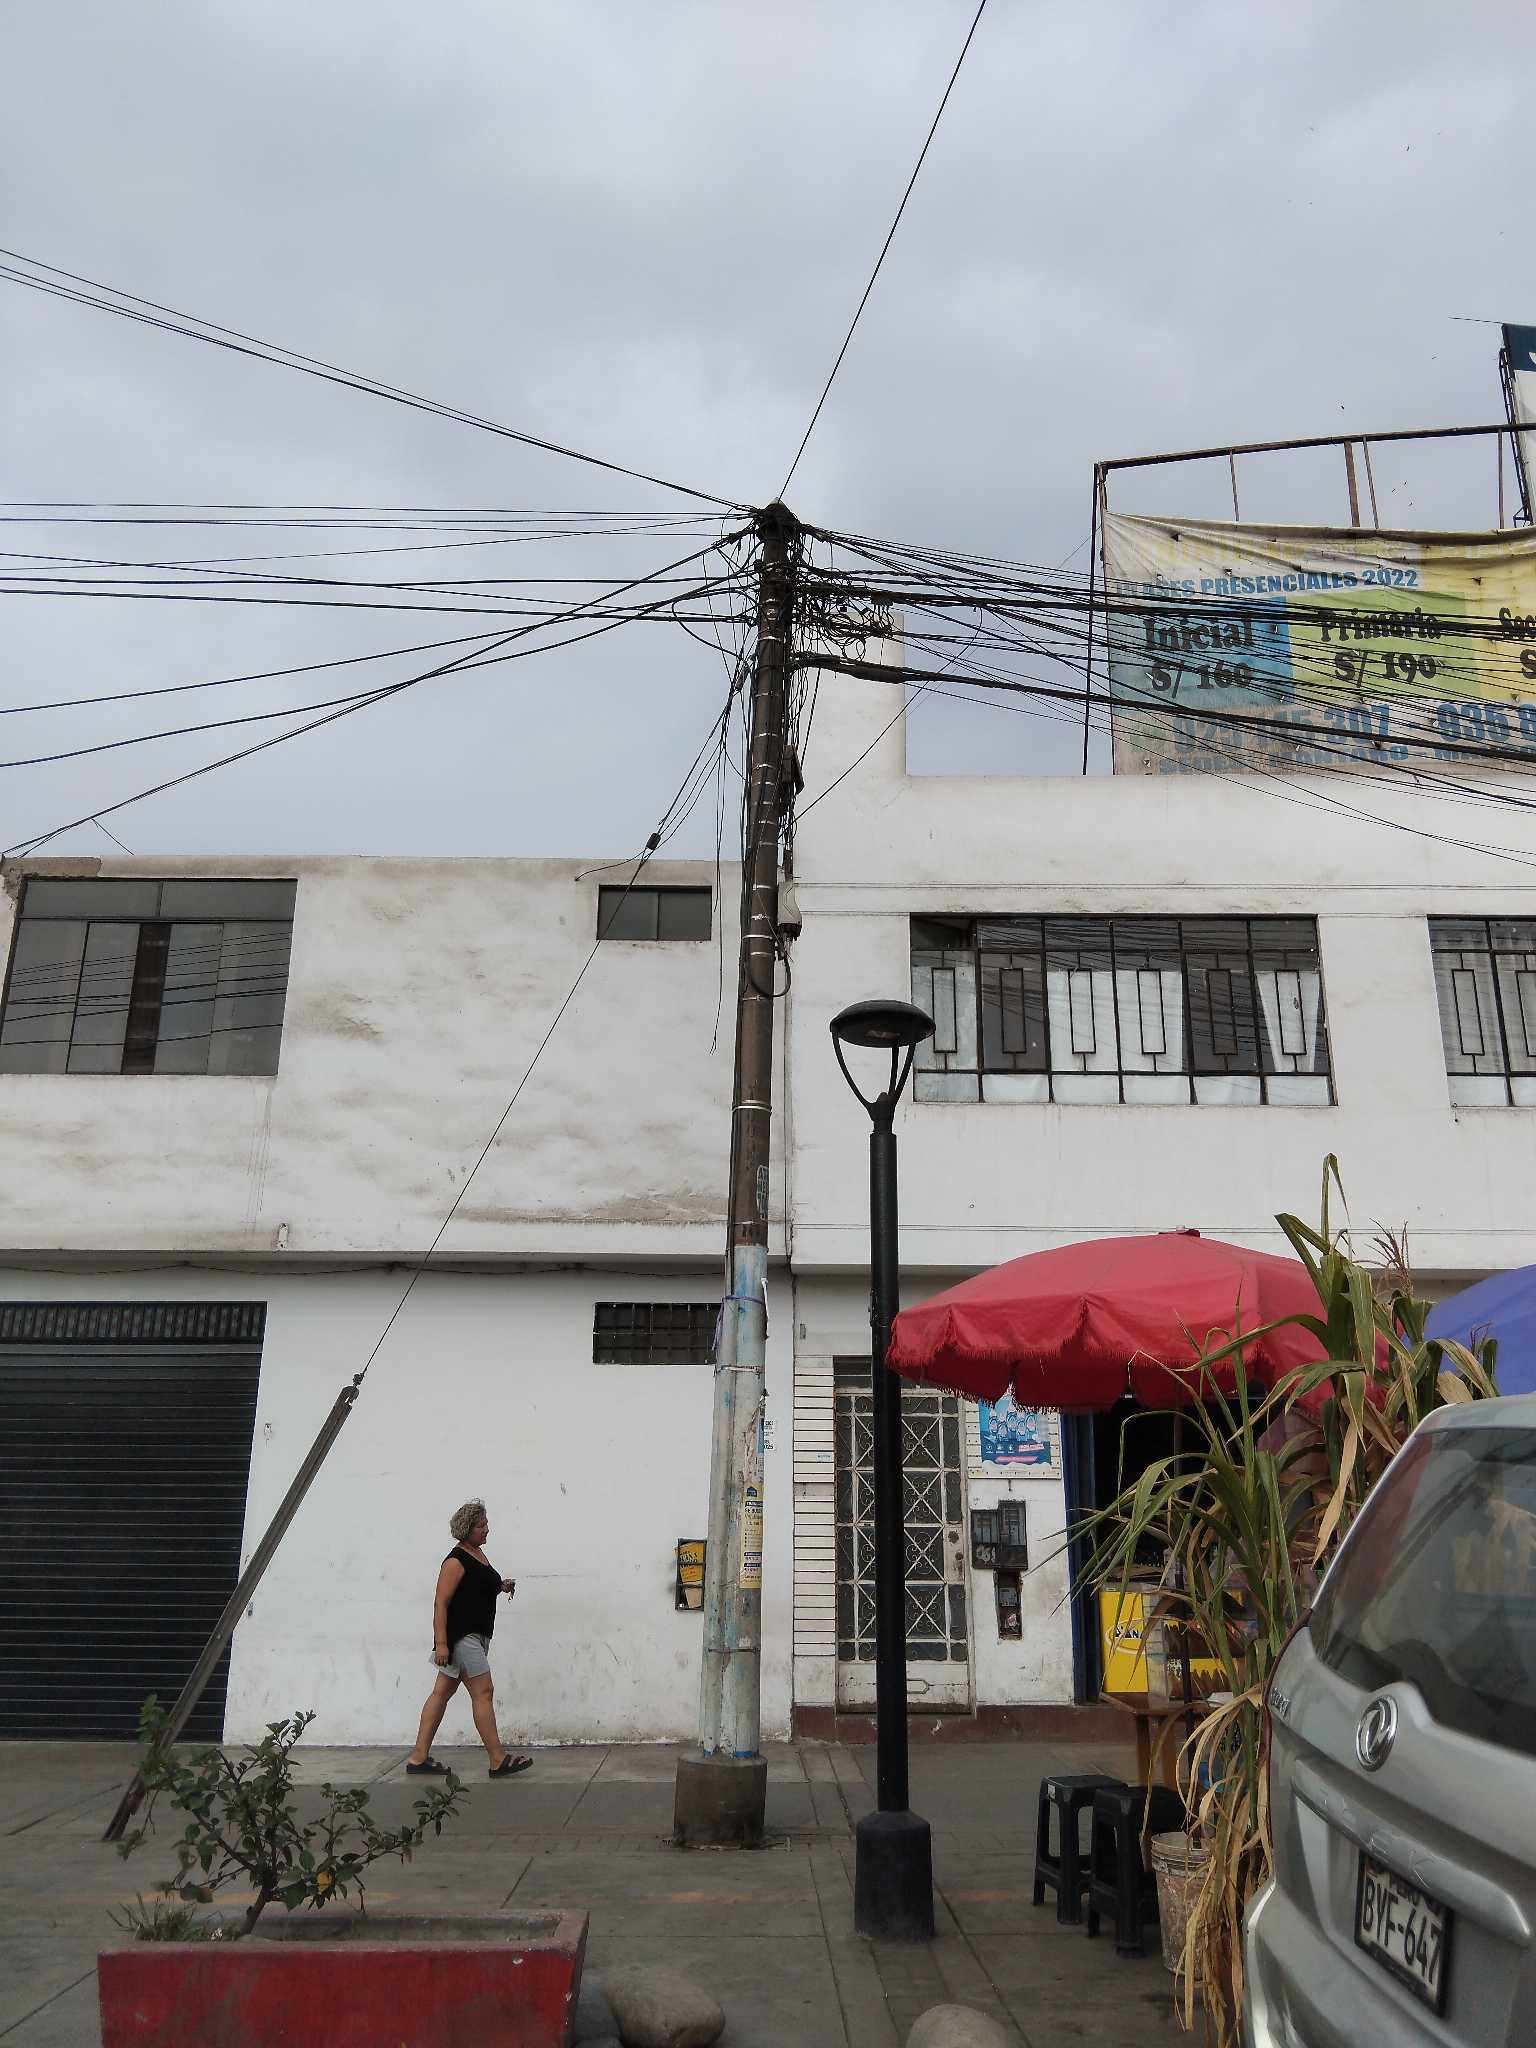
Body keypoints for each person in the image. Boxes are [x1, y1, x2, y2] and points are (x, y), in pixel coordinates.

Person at [406, 1499, 532, 1778]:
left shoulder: (477, 1554)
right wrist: (441, 1644)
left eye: (486, 1524)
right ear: (467, 1529)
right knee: (483, 1693)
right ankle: (498, 1759)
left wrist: (501, 1587)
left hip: (475, 1636)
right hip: (462, 1638)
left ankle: (418, 1758)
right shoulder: (455, 1561)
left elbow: (476, 1588)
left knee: (441, 1693)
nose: (487, 1529)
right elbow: (441, 1603)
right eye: (481, 1525)